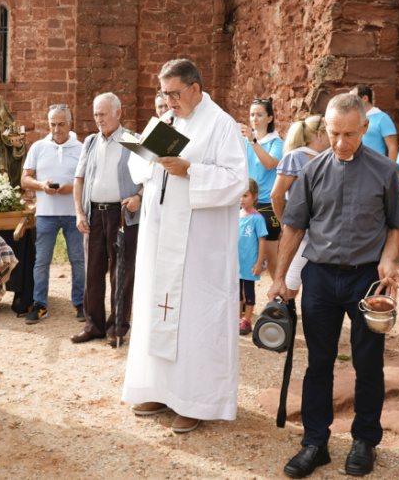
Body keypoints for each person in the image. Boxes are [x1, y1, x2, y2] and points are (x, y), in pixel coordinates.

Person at [268, 93, 399, 478]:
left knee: (367, 363)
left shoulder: (384, 170)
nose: (341, 142)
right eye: (333, 134)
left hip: (367, 280)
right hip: (321, 278)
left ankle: (365, 440)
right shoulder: (310, 172)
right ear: (324, 129)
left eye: (349, 133)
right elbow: (294, 227)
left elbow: (398, 225)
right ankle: (315, 442)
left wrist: (387, 259)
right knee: (319, 362)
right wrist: (280, 278)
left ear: (365, 127)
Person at [123, 58, 247, 435]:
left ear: (195, 88)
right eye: (164, 94)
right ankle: (160, 389)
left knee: (194, 318)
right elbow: (139, 168)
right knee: (156, 310)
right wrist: (142, 152)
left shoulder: (221, 124)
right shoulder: (168, 122)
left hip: (198, 246)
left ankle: (194, 401)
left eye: (174, 94)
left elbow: (236, 181)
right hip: (160, 237)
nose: (168, 102)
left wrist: (190, 170)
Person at [72, 93, 141, 346]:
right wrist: (79, 212)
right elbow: (79, 179)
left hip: (122, 215)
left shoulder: (133, 140)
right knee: (92, 271)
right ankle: (94, 325)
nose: (98, 119)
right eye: (95, 115)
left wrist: (139, 197)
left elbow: (152, 176)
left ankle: (118, 328)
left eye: (102, 114)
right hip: (93, 215)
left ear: (118, 113)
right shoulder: (90, 142)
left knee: (121, 273)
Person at [20, 104, 85, 325]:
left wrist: (71, 188)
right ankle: (40, 305)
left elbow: (88, 181)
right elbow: (25, 179)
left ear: (70, 123)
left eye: (61, 124)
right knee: (41, 262)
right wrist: (41, 185)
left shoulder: (81, 148)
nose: (56, 129)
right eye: (52, 124)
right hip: (46, 214)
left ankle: (80, 303)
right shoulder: (38, 147)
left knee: (78, 260)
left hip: (73, 213)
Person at [269, 114, 329, 298]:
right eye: (329, 133)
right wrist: (284, 224)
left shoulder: (330, 157)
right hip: (301, 234)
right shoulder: (295, 157)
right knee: (290, 285)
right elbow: (276, 195)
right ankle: (284, 319)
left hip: (325, 234)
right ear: (319, 135)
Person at [239, 98, 283, 281]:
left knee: (272, 258)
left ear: (270, 118)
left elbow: (269, 164)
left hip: (266, 205)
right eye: (251, 115)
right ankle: (243, 301)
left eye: (259, 115)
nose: (254, 119)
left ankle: (282, 298)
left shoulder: (276, 143)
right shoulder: (243, 141)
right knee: (242, 253)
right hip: (244, 204)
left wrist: (252, 141)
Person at [238, 178, 267, 335]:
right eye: (240, 195)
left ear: (255, 196)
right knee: (236, 292)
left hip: (249, 263)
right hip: (237, 263)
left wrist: (258, 263)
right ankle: (237, 318)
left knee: (248, 292)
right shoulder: (235, 215)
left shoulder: (257, 218)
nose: (242, 199)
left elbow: (261, 241)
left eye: (246, 195)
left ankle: (246, 320)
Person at [350, 84, 397, 161]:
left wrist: (391, 171)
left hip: (376, 168)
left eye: (354, 98)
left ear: (365, 98)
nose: (351, 101)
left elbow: (392, 147)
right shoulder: (354, 118)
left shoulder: (383, 118)